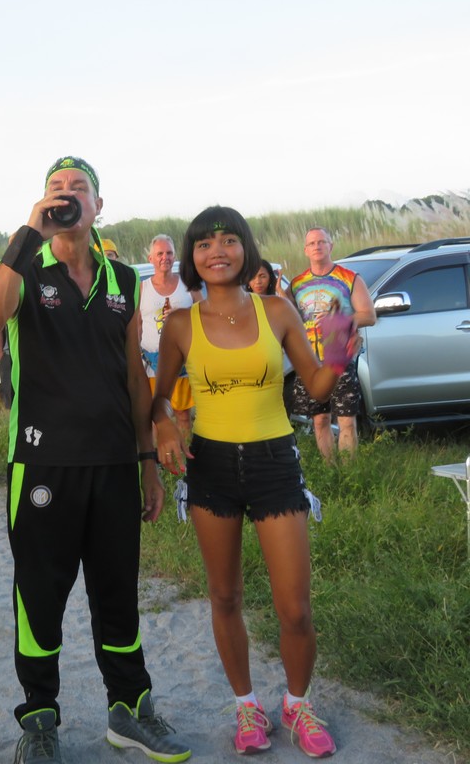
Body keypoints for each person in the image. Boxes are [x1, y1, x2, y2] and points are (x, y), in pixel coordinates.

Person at [0, 156, 191, 764]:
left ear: (98, 205)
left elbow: (133, 374)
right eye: (56, 187)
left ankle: (130, 710)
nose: (66, 195)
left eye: (79, 188)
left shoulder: (122, 278)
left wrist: (147, 460)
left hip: (114, 463)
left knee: (118, 593)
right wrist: (28, 233)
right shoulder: (25, 267)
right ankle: (40, 720)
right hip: (43, 465)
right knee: (40, 596)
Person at [153, 206, 358, 759]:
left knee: (295, 608)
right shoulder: (180, 324)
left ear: (246, 249)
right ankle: (246, 705)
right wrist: (164, 425)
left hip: (274, 464)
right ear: (193, 257)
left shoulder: (278, 310)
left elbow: (316, 385)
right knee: (224, 596)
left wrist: (341, 345)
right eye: (204, 243)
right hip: (211, 467)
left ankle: (297, 704)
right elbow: (158, 398)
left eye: (228, 240)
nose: (216, 251)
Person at [288, 227, 376, 460]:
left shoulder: (350, 278)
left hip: (339, 359)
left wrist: (339, 320)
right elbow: (286, 318)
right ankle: (330, 470)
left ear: (331, 246)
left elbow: (369, 315)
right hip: (310, 361)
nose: (317, 246)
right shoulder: (296, 284)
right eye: (312, 243)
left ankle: (349, 472)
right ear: (305, 250)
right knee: (319, 420)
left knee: (346, 420)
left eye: (322, 242)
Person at [139, 234, 200, 440]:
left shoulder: (188, 284)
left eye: (169, 253)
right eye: (159, 254)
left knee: (182, 413)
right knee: (155, 415)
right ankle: (158, 455)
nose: (165, 257)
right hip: (150, 360)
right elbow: (136, 324)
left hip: (182, 359)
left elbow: (204, 314)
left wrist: (182, 315)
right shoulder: (142, 288)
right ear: (151, 259)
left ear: (174, 257)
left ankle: (185, 454)